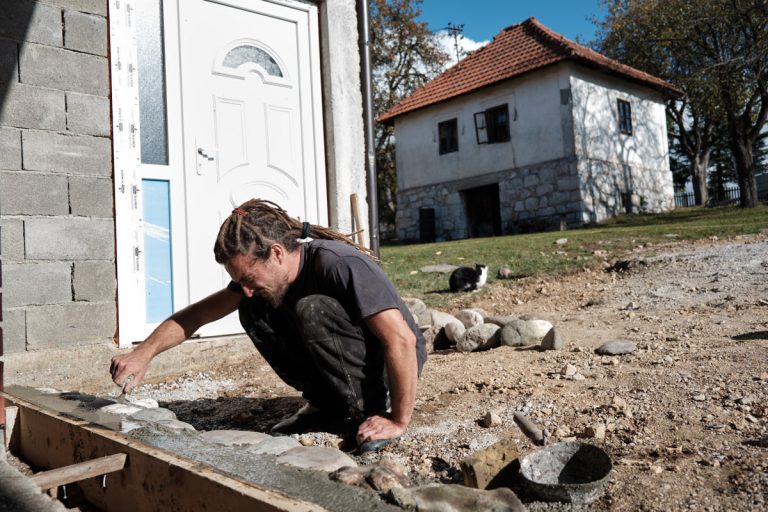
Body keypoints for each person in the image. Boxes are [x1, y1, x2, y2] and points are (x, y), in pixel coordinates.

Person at [110, 199, 427, 452]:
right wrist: (143, 354)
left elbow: (401, 340)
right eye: (238, 281)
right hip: (355, 361)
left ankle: (369, 407)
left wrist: (398, 421)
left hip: (389, 369)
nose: (244, 288)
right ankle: (329, 406)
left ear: (276, 253)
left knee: (311, 308)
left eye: (248, 278)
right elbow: (196, 317)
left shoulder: (337, 264)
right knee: (251, 308)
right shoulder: (261, 285)